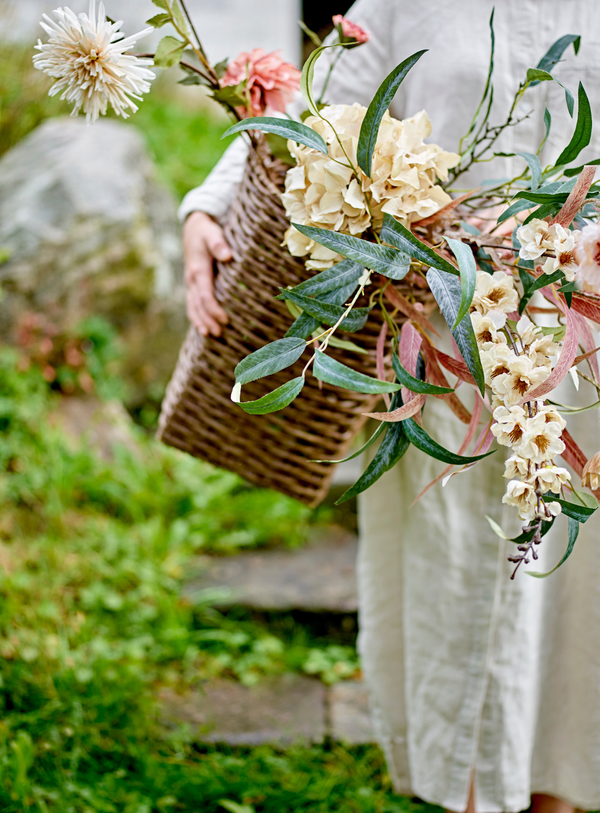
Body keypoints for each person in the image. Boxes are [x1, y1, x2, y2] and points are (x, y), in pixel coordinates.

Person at [178, 2, 600, 811]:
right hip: (440, 347)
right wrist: (208, 201)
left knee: (576, 611)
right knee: (453, 579)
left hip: (585, 348)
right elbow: (317, 113)